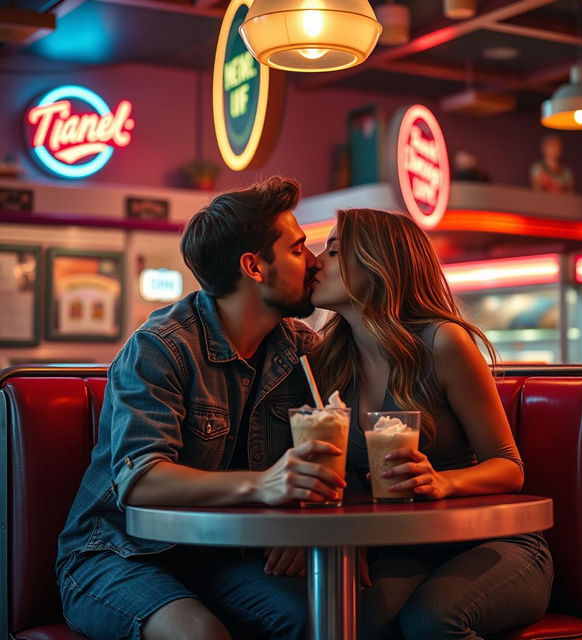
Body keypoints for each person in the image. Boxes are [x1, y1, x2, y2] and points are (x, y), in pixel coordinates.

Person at [56, 176, 345, 640]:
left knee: (313, 621)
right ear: (254, 266)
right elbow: (142, 479)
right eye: (297, 249)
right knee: (200, 635)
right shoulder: (161, 348)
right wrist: (264, 486)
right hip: (118, 553)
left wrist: (306, 526)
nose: (313, 263)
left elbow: (338, 458)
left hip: (226, 553)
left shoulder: (303, 351)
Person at [310, 208, 553, 640]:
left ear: (377, 262)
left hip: (492, 542)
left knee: (433, 620)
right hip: (403, 548)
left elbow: (509, 466)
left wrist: (442, 482)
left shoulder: (443, 342)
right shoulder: (327, 364)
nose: (316, 260)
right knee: (353, 621)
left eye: (333, 249)